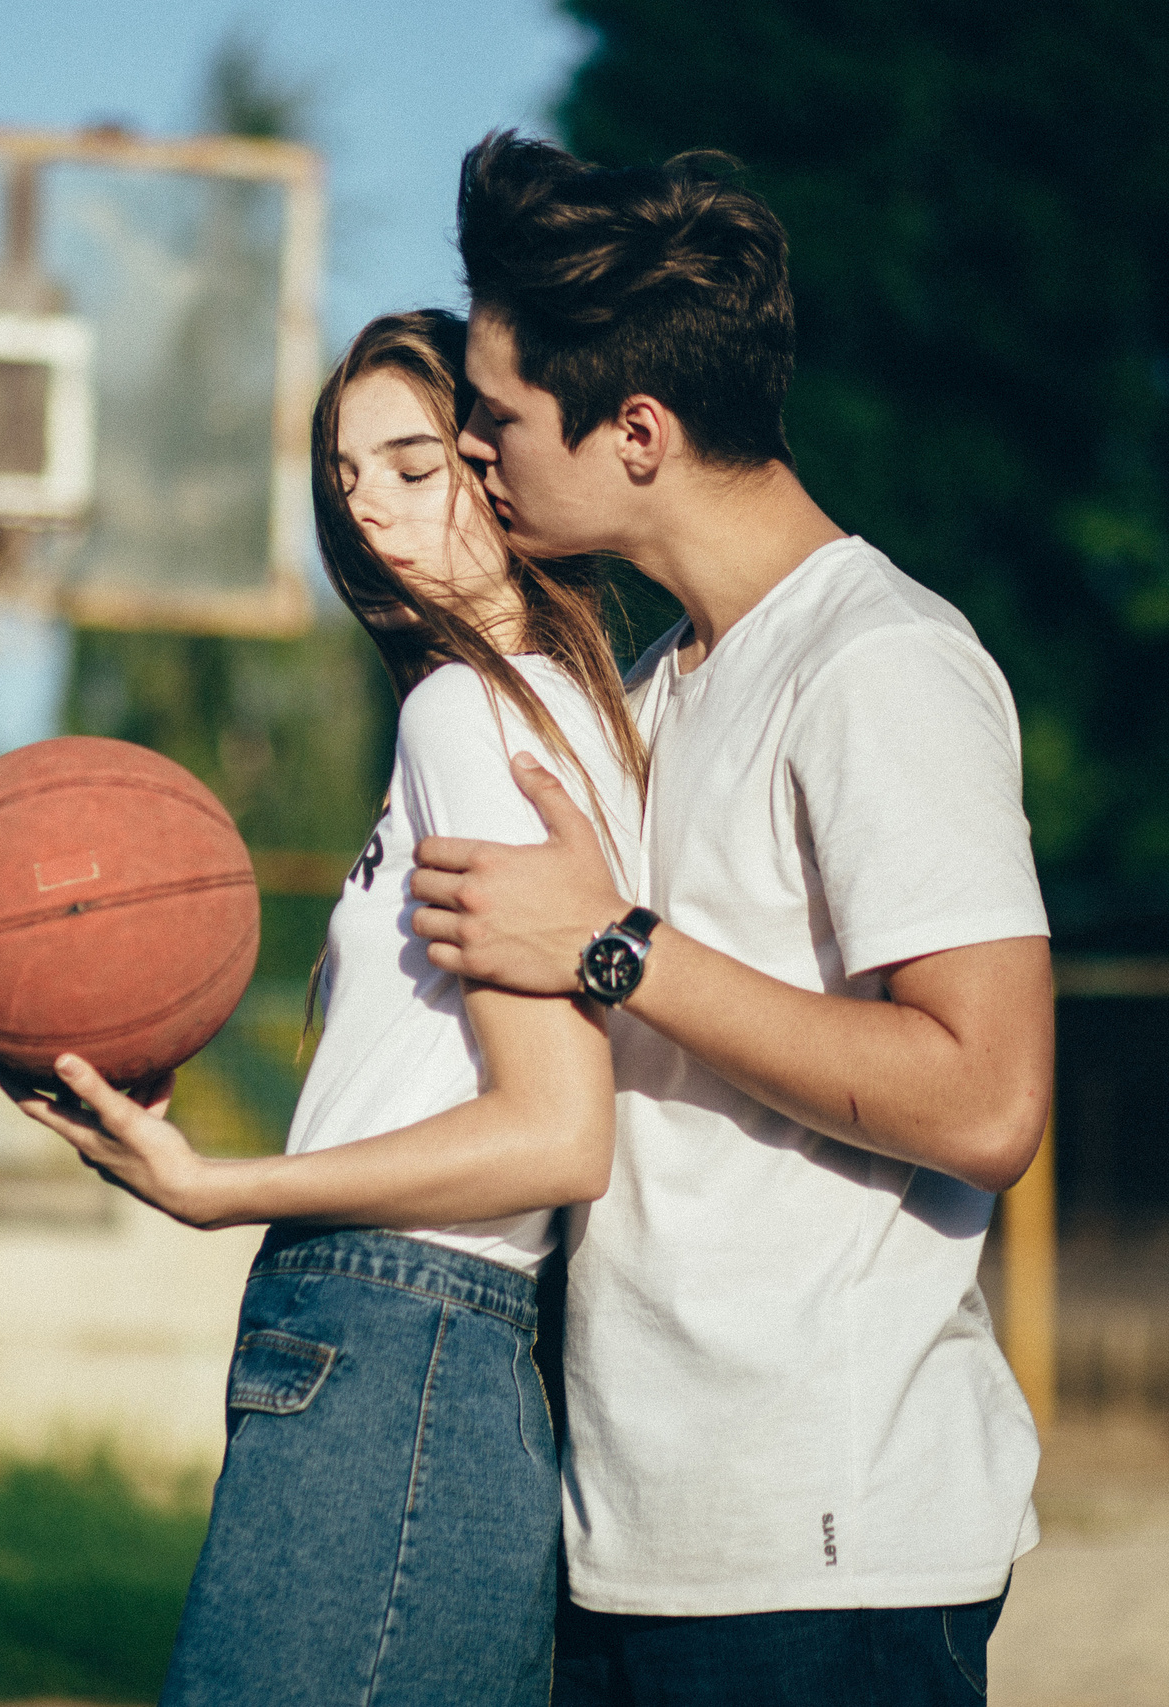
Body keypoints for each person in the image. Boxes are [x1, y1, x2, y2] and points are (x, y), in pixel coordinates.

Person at [409, 134, 1057, 1704]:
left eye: (496, 418)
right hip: (634, 1542)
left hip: (822, 1562)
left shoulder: (880, 663)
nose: (477, 452)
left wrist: (617, 946)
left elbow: (988, 1098)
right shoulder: (658, 691)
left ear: (637, 429)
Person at [15, 309, 646, 1707]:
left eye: (413, 466)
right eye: (346, 482)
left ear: (499, 466)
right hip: (445, 1356)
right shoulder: (552, 711)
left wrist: (222, 1184)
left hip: (398, 1333)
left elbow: (555, 1134)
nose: (368, 513)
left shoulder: (470, 717)